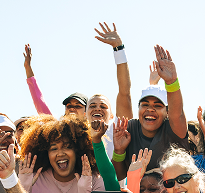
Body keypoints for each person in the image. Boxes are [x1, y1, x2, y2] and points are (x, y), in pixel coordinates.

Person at [23, 22, 133, 159]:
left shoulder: (117, 130)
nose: (97, 108)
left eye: (103, 106)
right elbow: (43, 110)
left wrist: (119, 48)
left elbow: (124, 92)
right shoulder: (72, 137)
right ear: (86, 114)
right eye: (92, 105)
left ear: (111, 115)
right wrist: (29, 74)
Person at [111, 45, 188, 180]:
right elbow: (119, 175)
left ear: (167, 112)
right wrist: (119, 151)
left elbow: (178, 114)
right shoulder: (129, 129)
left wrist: (171, 82)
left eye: (157, 106)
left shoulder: (173, 129)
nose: (150, 109)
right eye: (145, 104)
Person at [18, 114, 105, 193]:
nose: (60, 153)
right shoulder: (35, 179)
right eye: (54, 148)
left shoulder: (94, 178)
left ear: (78, 151)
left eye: (67, 147)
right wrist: (23, 190)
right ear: (46, 154)